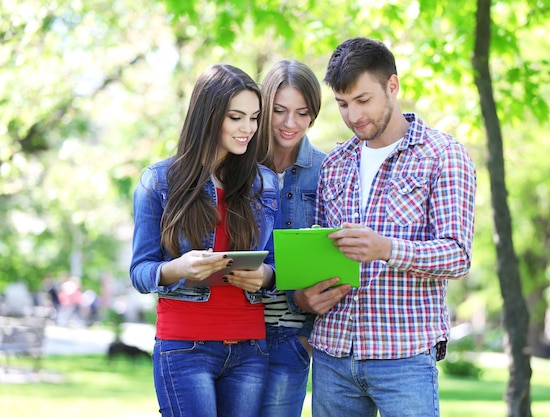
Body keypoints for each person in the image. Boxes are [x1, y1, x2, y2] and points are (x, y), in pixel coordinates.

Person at [294, 37, 477, 417]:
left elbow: (457, 254)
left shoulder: (443, 155)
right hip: (333, 354)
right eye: (343, 104)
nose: (353, 115)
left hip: (404, 356)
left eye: (363, 101)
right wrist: (305, 294)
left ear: (392, 86)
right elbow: (320, 252)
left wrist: (388, 249)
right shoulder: (336, 163)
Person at [129, 64, 280, 417]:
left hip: (249, 349)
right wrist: (177, 268)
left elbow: (274, 263)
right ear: (209, 116)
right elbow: (140, 271)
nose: (248, 129)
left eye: (254, 118)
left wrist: (267, 277)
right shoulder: (159, 181)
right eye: (236, 117)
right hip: (184, 347)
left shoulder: (265, 183)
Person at [256, 59, 326, 417]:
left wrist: (306, 332)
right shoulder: (237, 164)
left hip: (292, 333)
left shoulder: (326, 169)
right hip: (237, 327)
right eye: (279, 110)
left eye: (301, 113)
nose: (289, 123)